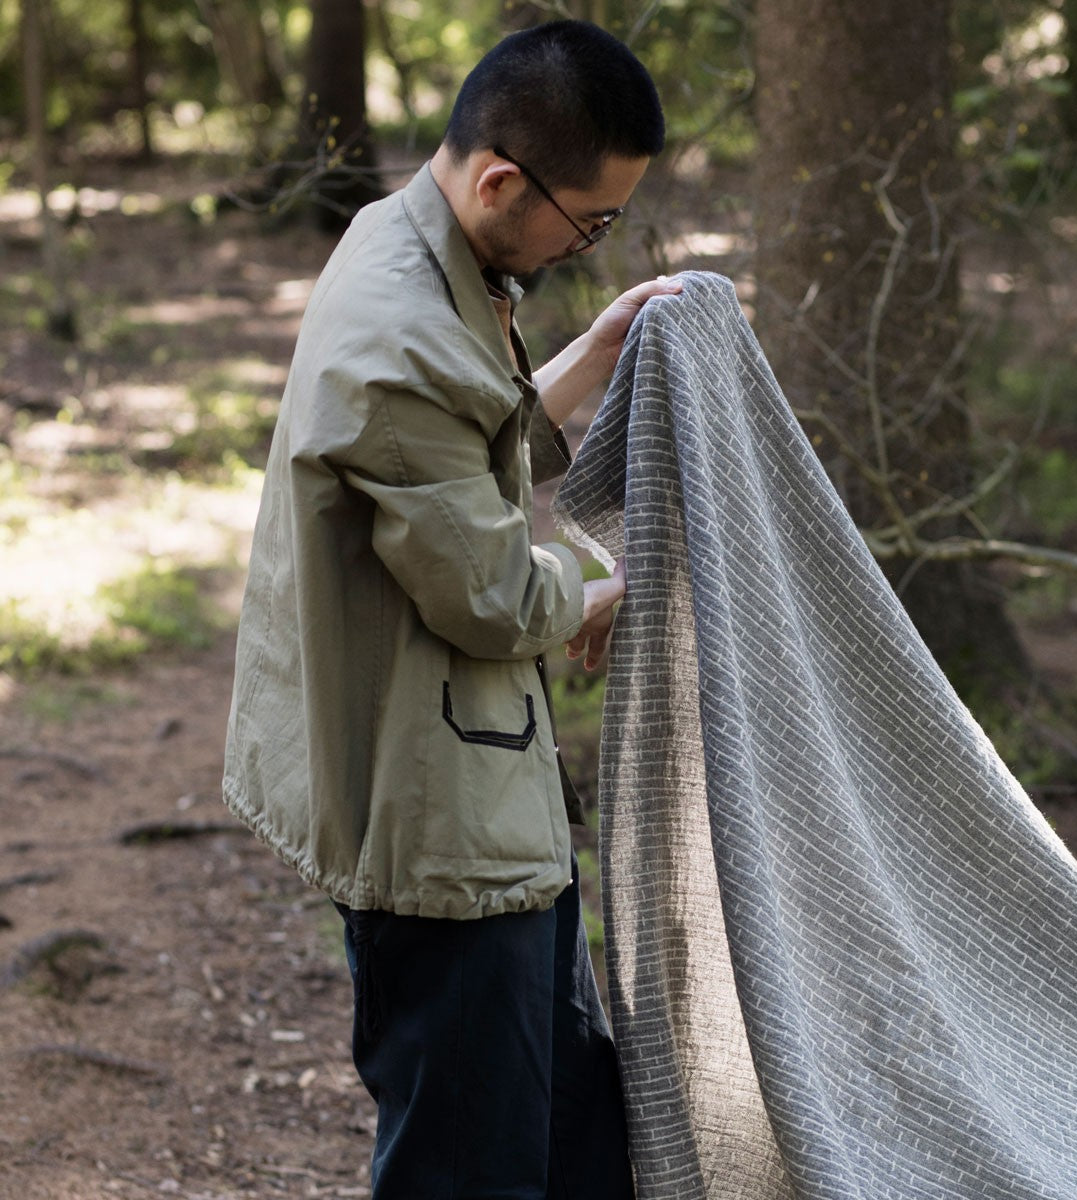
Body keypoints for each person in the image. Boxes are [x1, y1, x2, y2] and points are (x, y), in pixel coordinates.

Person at [221, 19, 677, 1199]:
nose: (589, 246)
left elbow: (474, 431)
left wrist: (594, 349)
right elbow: (486, 591)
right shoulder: (400, 335)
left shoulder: (413, 237)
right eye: (591, 223)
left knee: (570, 1124)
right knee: (468, 1167)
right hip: (438, 826)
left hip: (488, 787)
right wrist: (609, 584)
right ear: (501, 181)